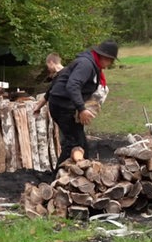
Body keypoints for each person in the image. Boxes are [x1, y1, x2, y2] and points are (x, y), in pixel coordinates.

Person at [47, 40, 118, 169]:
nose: (109, 65)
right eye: (110, 61)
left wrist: (43, 100)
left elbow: (61, 79)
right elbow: (72, 85)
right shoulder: (86, 65)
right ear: (104, 57)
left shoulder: (89, 62)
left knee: (81, 144)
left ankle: (81, 176)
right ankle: (58, 178)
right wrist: (81, 109)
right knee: (73, 144)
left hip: (64, 104)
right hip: (63, 107)